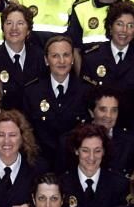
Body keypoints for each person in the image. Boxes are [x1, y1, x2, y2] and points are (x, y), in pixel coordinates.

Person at [80, 0, 134, 136]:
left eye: (130, 26)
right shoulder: (92, 58)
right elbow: (85, 101)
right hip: (98, 134)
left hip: (133, 136)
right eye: (119, 24)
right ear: (110, 27)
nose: (124, 30)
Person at [23, 36, 87, 168]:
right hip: (41, 165)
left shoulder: (86, 91)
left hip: (75, 165)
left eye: (66, 55)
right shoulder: (32, 92)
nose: (61, 61)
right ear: (46, 60)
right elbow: (27, 133)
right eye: (55, 56)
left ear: (73, 59)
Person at [61, 123, 130, 207]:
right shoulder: (62, 184)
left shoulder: (119, 184)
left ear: (104, 151)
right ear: (76, 151)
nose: (91, 157)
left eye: (97, 151)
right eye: (85, 151)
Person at [0, 4, 45, 112]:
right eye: (9, 23)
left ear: (28, 30)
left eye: (20, 23)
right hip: (2, 123)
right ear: (3, 28)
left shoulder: (40, 57)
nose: (14, 28)